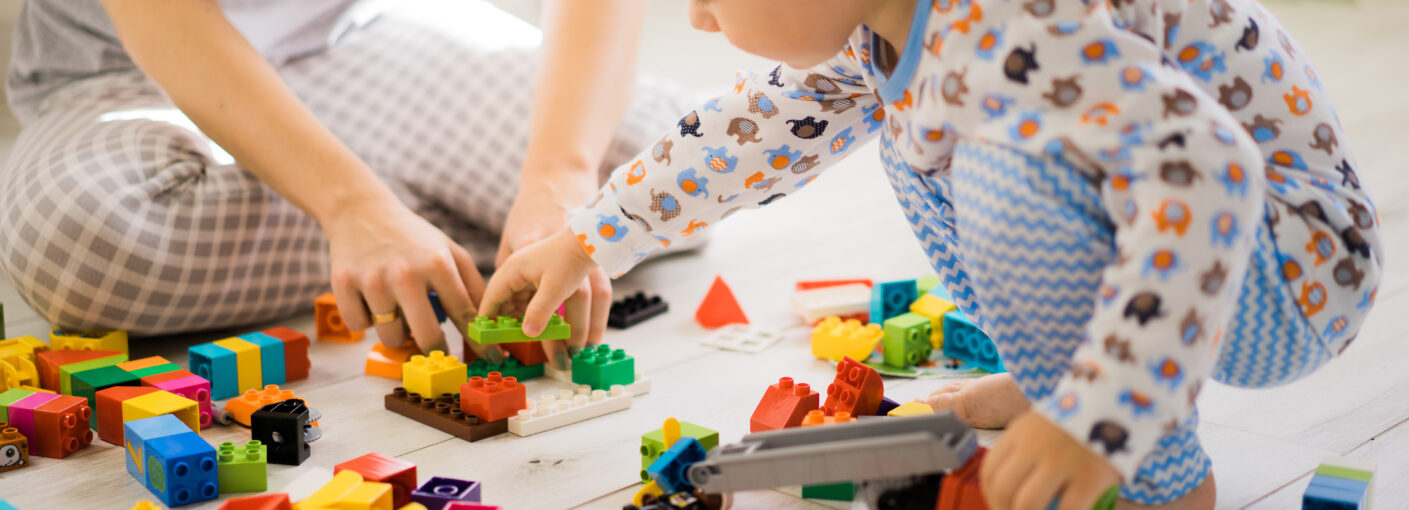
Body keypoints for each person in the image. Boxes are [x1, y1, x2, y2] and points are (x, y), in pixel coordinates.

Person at [476, 0, 1383, 507]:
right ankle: (1049, 376)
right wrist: (591, 232)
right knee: (922, 144)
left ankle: (1163, 480)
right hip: (1192, 260)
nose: (701, 19)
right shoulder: (894, 26)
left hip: (1284, 276)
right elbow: (752, 131)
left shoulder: (1015, 25)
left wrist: (1105, 417)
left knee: (997, 169)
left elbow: (1206, 174)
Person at [0, 0, 688, 368]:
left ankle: (408, 231)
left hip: (356, 35)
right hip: (131, 64)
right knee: (86, 237)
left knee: (668, 169)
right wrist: (351, 205)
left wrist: (559, 175)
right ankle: (395, 222)